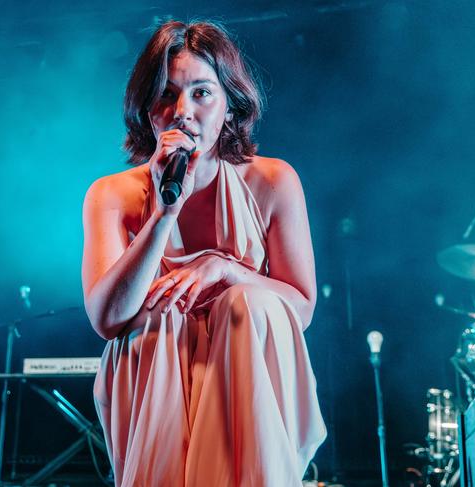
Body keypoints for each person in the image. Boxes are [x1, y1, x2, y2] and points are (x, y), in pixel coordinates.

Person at [82, 20, 326, 487]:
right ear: (145, 110)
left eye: (201, 93)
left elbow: (302, 307)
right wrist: (164, 213)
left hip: (247, 381)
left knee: (245, 304)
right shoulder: (110, 195)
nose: (183, 112)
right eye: (166, 95)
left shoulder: (273, 182)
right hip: (157, 382)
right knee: (155, 319)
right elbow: (107, 318)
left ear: (230, 104)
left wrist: (227, 270)